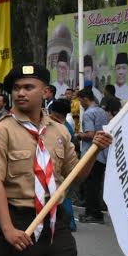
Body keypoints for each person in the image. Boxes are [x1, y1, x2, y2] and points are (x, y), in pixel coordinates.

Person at [0, 63, 112, 256]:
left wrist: (95, 150)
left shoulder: (59, 131)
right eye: (17, 88)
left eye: (29, 87)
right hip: (19, 224)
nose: (21, 93)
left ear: (44, 91)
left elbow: (76, 176)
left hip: (55, 226)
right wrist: (8, 229)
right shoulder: (0, 131)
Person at [75, 88, 110, 224]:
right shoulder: (102, 111)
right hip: (103, 153)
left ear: (85, 99)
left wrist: (79, 135)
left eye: (80, 100)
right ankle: (95, 211)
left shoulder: (89, 113)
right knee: (96, 184)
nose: (80, 103)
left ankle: (93, 213)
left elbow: (90, 134)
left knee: (90, 185)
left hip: (92, 154)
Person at [48, 98, 78, 232]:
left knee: (63, 196)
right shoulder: (68, 126)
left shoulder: (61, 129)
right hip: (65, 166)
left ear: (52, 112)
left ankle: (69, 223)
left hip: (63, 167)